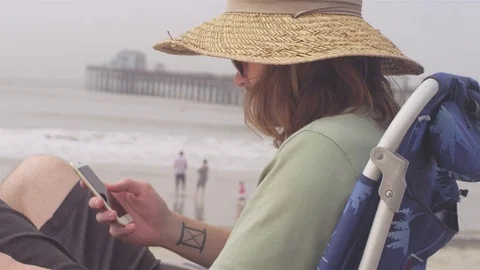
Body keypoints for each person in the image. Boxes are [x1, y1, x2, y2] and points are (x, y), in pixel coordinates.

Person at [0, 0, 424, 269]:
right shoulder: (364, 131)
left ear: (292, 65)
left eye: (242, 62)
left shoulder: (322, 150)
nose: (239, 81)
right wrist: (168, 228)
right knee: (40, 176)